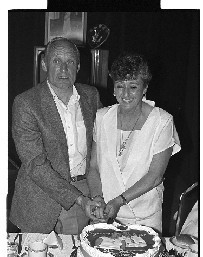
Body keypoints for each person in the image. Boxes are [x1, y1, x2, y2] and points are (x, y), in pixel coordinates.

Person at [10, 37, 103, 234]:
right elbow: (35, 164)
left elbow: (104, 145)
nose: (63, 68)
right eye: (56, 61)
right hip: (40, 200)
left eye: (70, 61)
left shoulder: (91, 96)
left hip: (86, 192)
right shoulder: (26, 103)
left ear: (78, 66)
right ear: (44, 63)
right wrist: (78, 198)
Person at [87, 52, 181, 233]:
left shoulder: (162, 121)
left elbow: (155, 177)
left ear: (144, 88)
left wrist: (119, 201)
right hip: (106, 214)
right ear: (113, 88)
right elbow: (93, 167)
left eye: (133, 87)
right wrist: (98, 198)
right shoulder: (101, 117)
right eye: (120, 86)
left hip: (144, 218)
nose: (126, 94)